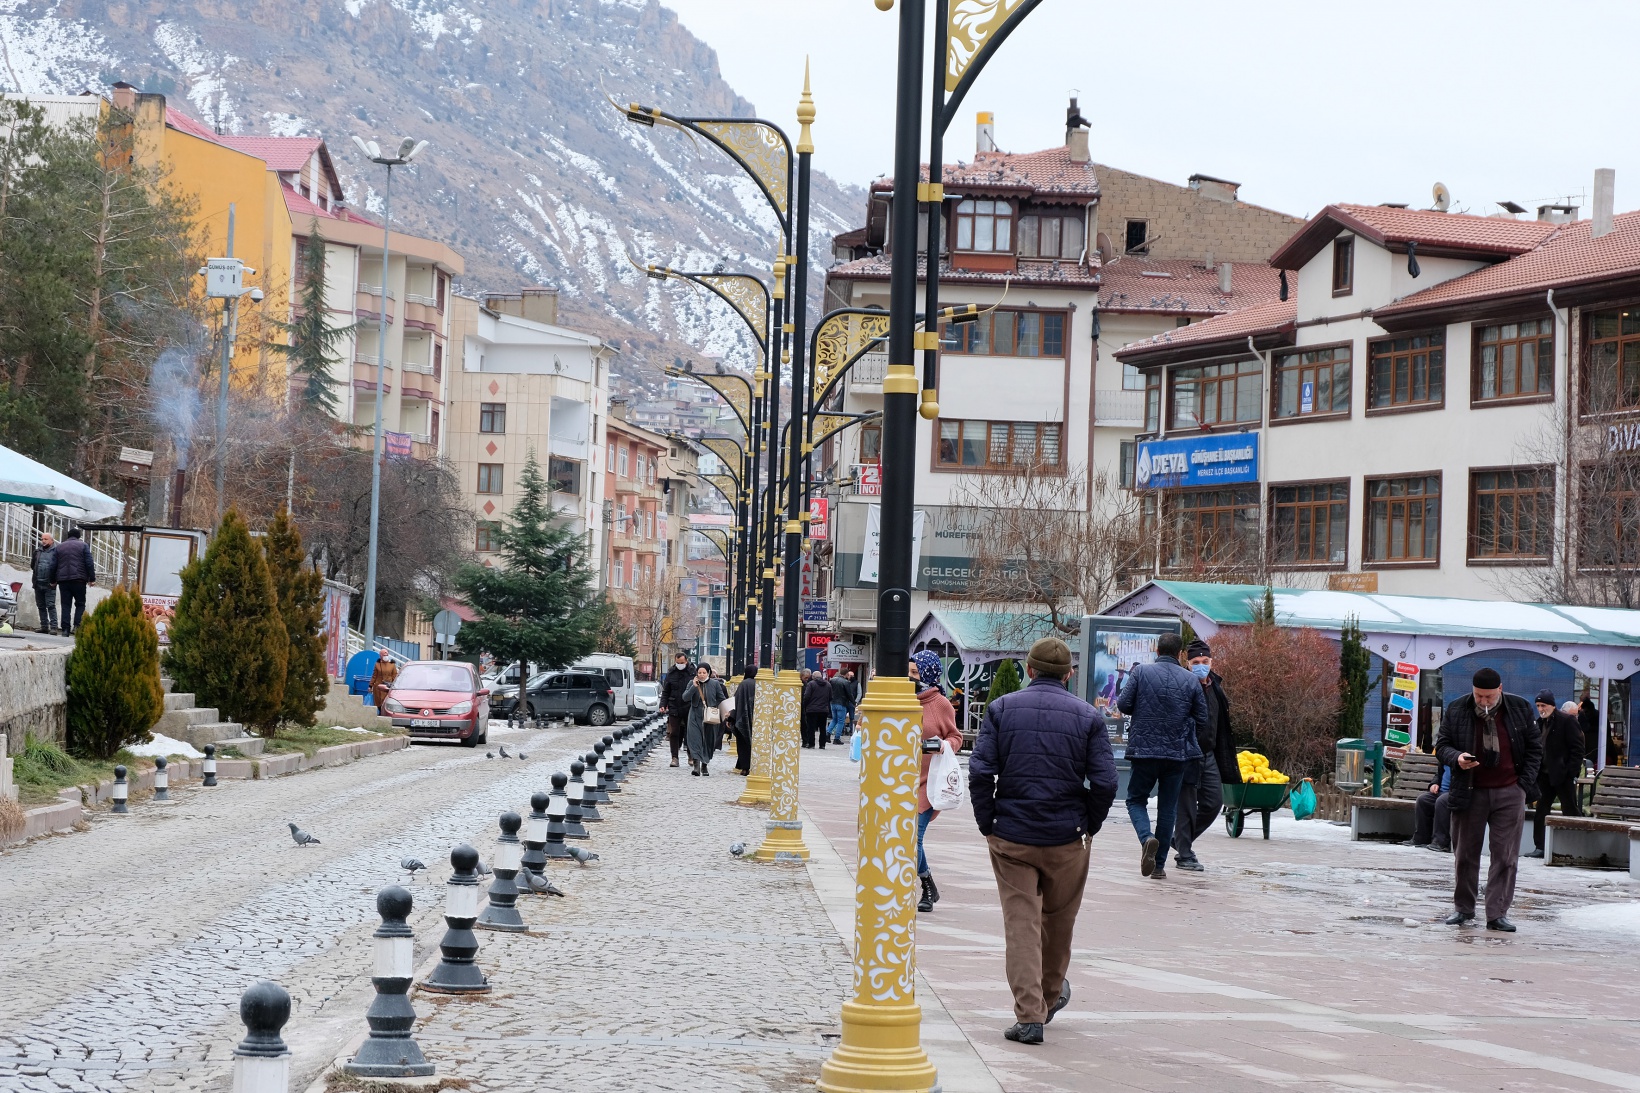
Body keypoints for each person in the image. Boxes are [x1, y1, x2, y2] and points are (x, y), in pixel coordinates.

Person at [969, 636, 1116, 1046]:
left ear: (1028, 671)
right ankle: (1047, 1001)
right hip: (1067, 836)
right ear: (1069, 675)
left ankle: (1029, 1015)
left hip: (1012, 835)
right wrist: (1089, 824)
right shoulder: (1088, 717)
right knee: (1059, 921)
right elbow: (1105, 781)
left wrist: (988, 822)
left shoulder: (1000, 709)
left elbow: (981, 772)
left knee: (1021, 923)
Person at [1436, 667, 1542, 932]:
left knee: (1505, 856)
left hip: (1509, 790)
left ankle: (1497, 913)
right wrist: (1457, 758)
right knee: (1465, 854)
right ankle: (1463, 909)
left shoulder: (1519, 708)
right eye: (1478, 696)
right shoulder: (1458, 708)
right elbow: (1443, 745)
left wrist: (1522, 786)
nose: (1483, 701)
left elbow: (1534, 749)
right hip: (1470, 790)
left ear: (1500, 690)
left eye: (1488, 697)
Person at [1117, 632, 1207, 880]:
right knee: (1168, 808)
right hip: (1176, 755)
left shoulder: (1141, 672)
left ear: (1157, 651)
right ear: (1180, 654)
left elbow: (1123, 705)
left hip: (1144, 751)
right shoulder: (1190, 681)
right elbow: (1202, 718)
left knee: (1135, 800)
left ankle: (1147, 838)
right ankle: (1158, 866)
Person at [1171, 639, 1241, 872]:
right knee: (1187, 805)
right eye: (1196, 662)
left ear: (1211, 661)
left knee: (1213, 803)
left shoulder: (1215, 686)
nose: (1201, 665)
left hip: (1209, 753)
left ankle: (1180, 841)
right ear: (1187, 663)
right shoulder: (1183, 686)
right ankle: (1184, 854)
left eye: (1205, 661)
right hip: (1187, 753)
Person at [911, 649, 964, 914]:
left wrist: (943, 745)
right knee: (903, 838)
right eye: (908, 672)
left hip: (927, 782)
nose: (910, 678)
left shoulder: (940, 703)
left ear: (929, 675)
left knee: (912, 840)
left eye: (915, 673)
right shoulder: (899, 698)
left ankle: (925, 887)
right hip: (899, 780)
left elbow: (956, 737)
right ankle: (928, 882)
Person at [1528, 689, 1584, 858]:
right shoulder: (1539, 723)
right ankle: (1540, 847)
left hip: (1562, 774)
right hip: (1545, 774)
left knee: (1570, 809)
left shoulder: (1566, 721)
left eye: (1543, 705)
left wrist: (1570, 772)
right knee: (1541, 811)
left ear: (1552, 705)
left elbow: (1578, 748)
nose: (1540, 708)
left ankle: (1575, 845)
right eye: (1538, 705)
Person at [682, 664, 727, 776]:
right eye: (699, 673)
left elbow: (721, 698)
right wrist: (693, 686)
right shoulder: (691, 683)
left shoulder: (715, 684)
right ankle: (696, 766)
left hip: (710, 716)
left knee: (708, 740)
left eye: (704, 673)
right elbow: (685, 698)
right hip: (695, 715)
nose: (701, 675)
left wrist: (725, 711)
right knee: (695, 740)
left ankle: (705, 764)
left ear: (708, 673)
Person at [53, 527, 95, 636]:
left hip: (63, 580)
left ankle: (65, 630)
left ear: (68, 535)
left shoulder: (59, 547)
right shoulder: (84, 546)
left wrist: (52, 580)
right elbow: (89, 563)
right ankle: (77, 626)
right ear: (79, 536)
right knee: (80, 604)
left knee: (65, 604)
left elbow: (53, 565)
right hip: (79, 579)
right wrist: (92, 578)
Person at [661, 651, 695, 768]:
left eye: (682, 662)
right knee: (674, 732)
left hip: (689, 706)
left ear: (686, 661)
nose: (680, 664)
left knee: (689, 733)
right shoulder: (671, 672)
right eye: (677, 662)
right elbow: (666, 691)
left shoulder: (692, 672)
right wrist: (663, 704)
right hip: (674, 705)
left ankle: (691, 756)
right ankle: (674, 757)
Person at [1412, 762, 1453, 853]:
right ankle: (1421, 838)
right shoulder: (1445, 755)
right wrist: (1434, 784)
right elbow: (1439, 773)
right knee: (1422, 800)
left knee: (1441, 801)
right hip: (1440, 791)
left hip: (1455, 793)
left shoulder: (1463, 755)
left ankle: (1441, 842)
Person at [30, 532, 58, 635]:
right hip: (38, 583)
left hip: (50, 584)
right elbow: (33, 565)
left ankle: (54, 627)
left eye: (46, 539)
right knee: (41, 606)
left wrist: (55, 580)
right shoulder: (37, 551)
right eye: (42, 539)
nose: (43, 541)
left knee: (50, 605)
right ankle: (44, 626)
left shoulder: (56, 552)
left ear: (52, 540)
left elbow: (58, 567)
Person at [731, 671, 756, 775]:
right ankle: (753, 765)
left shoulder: (744, 684)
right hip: (758, 720)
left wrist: (731, 718)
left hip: (742, 719)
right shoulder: (761, 683)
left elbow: (736, 701)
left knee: (742, 745)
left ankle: (744, 767)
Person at [801, 668, 832, 749]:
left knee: (811, 727)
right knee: (822, 728)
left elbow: (806, 696)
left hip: (812, 709)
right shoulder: (828, 684)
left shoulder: (811, 684)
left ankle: (811, 744)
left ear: (813, 677)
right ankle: (822, 745)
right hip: (824, 709)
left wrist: (806, 705)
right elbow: (831, 697)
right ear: (821, 676)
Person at [829, 669, 857, 745]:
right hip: (842, 703)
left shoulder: (832, 680)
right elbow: (849, 694)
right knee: (841, 721)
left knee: (834, 719)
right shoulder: (846, 682)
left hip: (833, 702)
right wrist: (854, 703)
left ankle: (827, 734)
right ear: (847, 674)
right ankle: (837, 738)